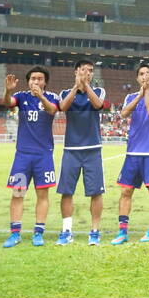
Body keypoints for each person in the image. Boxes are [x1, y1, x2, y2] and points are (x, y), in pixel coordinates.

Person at [0, 67, 60, 247]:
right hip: (23, 156)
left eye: (40, 79)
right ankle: (15, 233)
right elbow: (7, 102)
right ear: (28, 81)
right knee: (18, 194)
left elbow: (52, 111)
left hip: (43, 156)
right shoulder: (21, 97)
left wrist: (41, 96)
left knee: (42, 194)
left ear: (45, 82)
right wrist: (8, 90)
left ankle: (38, 232)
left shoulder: (52, 97)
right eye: (33, 78)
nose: (36, 81)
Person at [113, 61, 149, 243]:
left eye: (147, 73)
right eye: (141, 74)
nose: (145, 76)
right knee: (126, 191)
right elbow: (123, 113)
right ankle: (122, 231)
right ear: (137, 78)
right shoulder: (130, 97)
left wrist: (147, 94)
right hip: (132, 152)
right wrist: (140, 95)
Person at [56, 61, 107, 245]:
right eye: (84, 69)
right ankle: (66, 231)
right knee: (67, 191)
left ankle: (94, 231)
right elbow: (63, 107)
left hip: (93, 149)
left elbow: (98, 104)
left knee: (95, 192)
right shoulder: (64, 93)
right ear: (76, 71)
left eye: (91, 71)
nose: (88, 73)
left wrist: (85, 86)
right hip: (71, 150)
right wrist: (76, 88)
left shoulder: (98, 91)